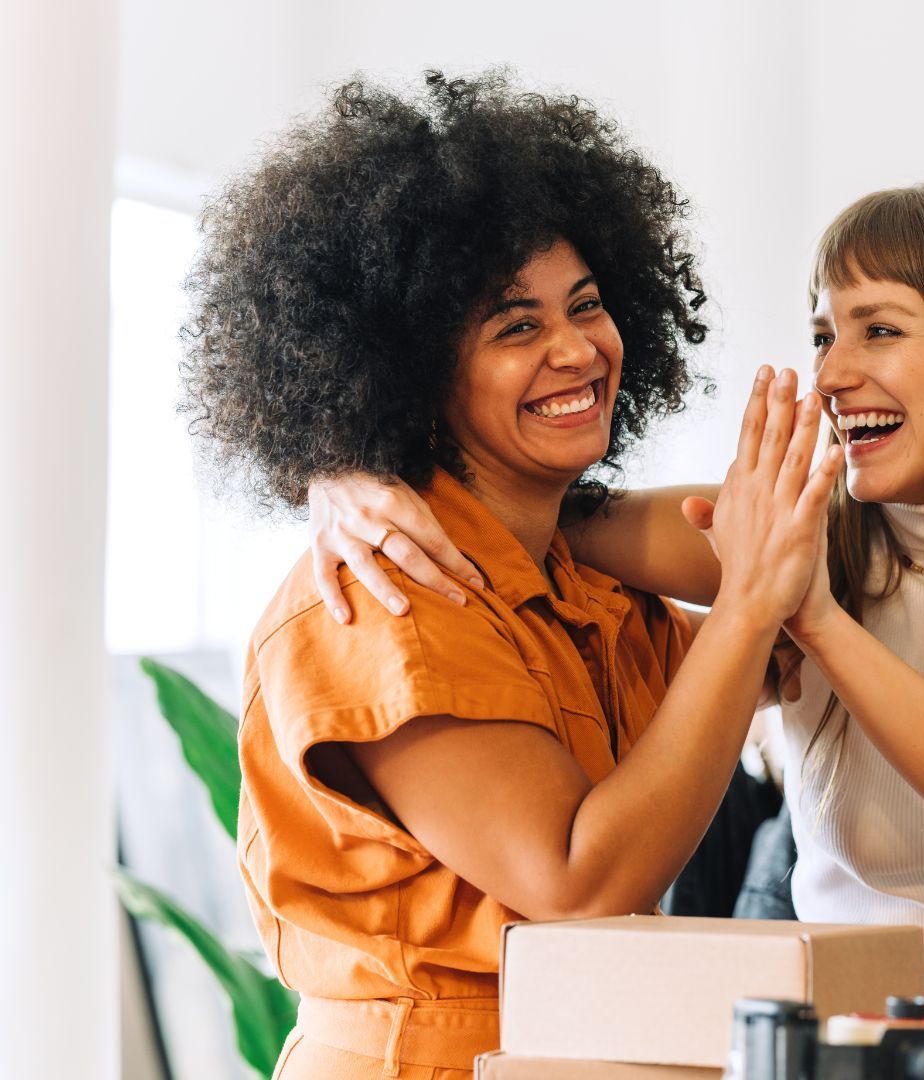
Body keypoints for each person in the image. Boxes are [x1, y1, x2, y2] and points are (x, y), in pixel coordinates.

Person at [325, 182, 924, 1079]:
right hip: (854, 1007)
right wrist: (346, 472)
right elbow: (529, 506)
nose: (829, 374)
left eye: (879, 329)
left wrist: (817, 620)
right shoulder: (792, 522)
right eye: (824, 335)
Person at [182, 72, 840, 1079]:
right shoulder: (384, 596)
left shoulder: (575, 579)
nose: (577, 350)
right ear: (407, 369)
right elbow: (579, 881)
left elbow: (815, 566)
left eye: (586, 305)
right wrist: (750, 608)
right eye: (515, 327)